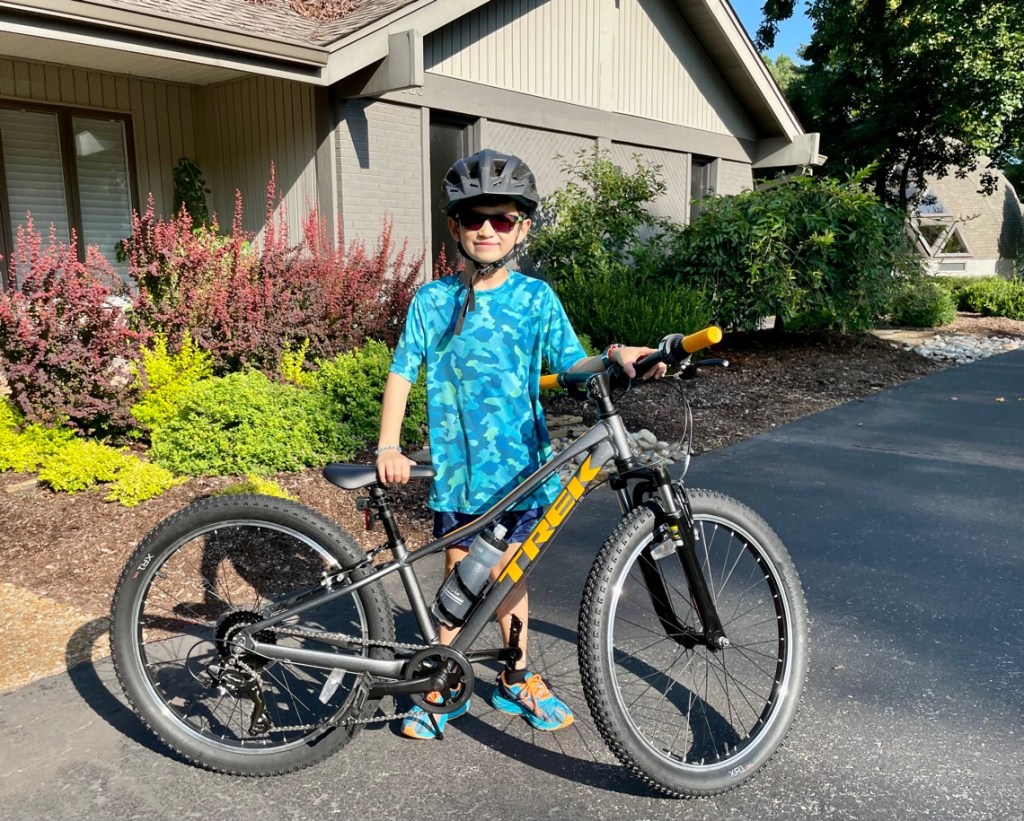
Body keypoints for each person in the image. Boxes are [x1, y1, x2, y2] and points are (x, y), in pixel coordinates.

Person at [376, 148, 666, 739]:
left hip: (523, 470)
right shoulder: (433, 300)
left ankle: (515, 674)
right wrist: (388, 446)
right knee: (460, 574)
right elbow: (402, 372)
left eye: (502, 219)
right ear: (455, 227)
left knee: (511, 573)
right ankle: (444, 679)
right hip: (461, 470)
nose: (488, 229)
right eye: (474, 218)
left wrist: (617, 355)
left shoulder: (536, 299)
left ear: (522, 228)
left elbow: (572, 364)